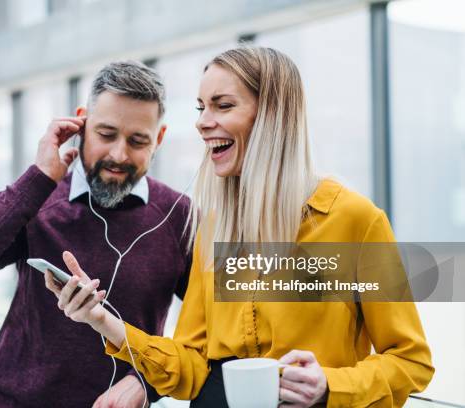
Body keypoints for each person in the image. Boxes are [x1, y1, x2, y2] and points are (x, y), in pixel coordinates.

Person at [45, 46, 435, 407]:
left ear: (272, 115)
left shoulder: (356, 221)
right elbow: (192, 367)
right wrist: (102, 321)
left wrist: (330, 386)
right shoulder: (217, 225)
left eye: (222, 105)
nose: (202, 123)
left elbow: (411, 362)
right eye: (201, 107)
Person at [0, 61, 193, 408]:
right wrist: (37, 179)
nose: (118, 154)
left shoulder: (179, 215)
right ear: (80, 123)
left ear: (158, 139)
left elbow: (215, 330)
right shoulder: (36, 199)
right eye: (106, 134)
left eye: (138, 140)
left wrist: (148, 383)